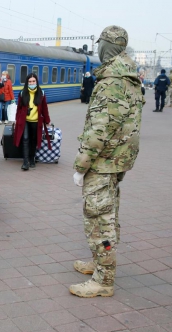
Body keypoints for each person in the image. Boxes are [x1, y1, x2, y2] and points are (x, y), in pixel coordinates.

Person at [71, 26, 144, 298]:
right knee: (107, 213)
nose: (98, 48)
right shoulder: (129, 77)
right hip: (117, 159)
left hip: (102, 162)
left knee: (100, 219)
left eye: (100, 44)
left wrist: (81, 166)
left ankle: (104, 280)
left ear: (108, 47)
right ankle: (98, 264)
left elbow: (99, 131)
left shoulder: (111, 81)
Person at [13, 73, 51, 171]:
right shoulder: (22, 93)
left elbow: (44, 108)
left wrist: (47, 120)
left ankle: (32, 158)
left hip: (36, 121)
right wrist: (17, 120)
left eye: (33, 81)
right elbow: (19, 108)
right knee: (25, 139)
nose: (32, 83)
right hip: (25, 120)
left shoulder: (41, 93)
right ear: (27, 82)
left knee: (34, 140)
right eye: (30, 81)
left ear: (36, 82)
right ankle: (25, 162)